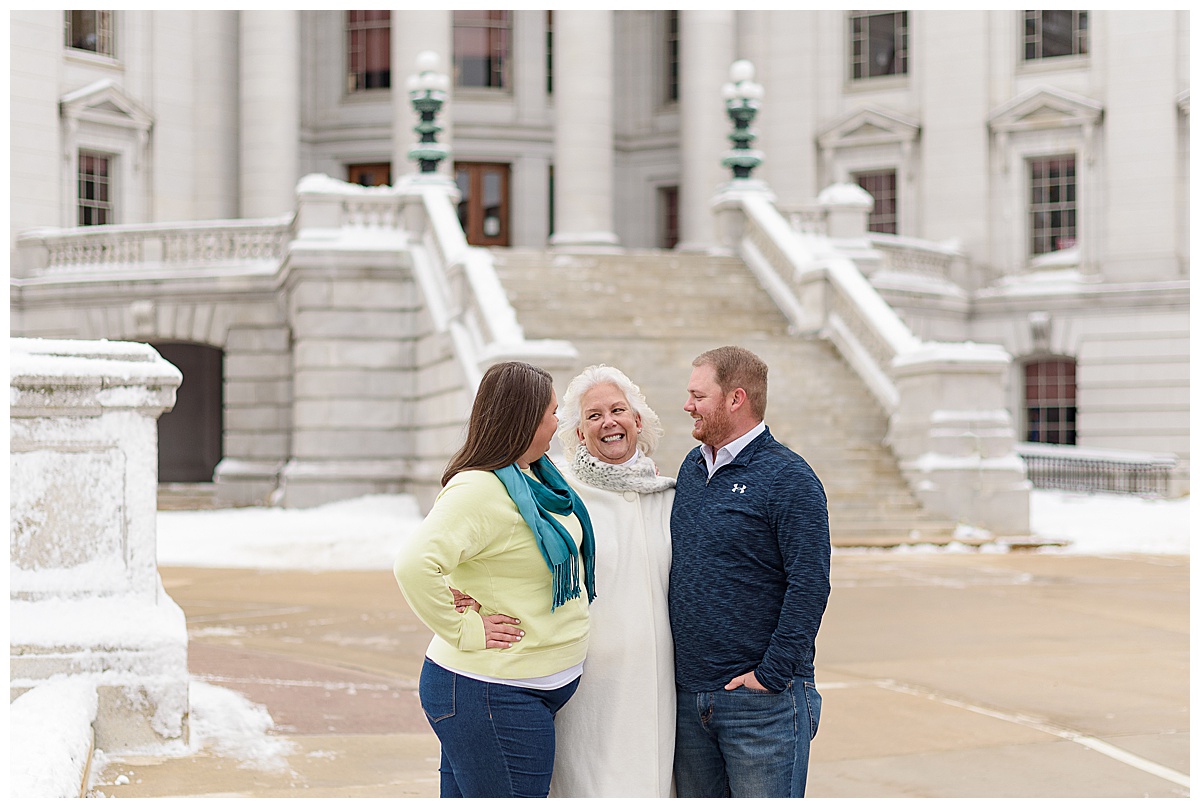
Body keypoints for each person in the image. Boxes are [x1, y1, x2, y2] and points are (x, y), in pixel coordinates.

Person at [393, 360, 596, 799]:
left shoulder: (535, 477)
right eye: (552, 412)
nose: (558, 421)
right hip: (491, 693)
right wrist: (465, 627)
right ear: (526, 419)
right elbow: (414, 564)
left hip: (516, 693)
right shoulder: (479, 489)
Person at [668, 345, 831, 798]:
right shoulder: (691, 466)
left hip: (761, 705)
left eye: (698, 395)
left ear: (735, 398)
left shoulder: (789, 478)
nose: (687, 406)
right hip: (689, 702)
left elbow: (811, 584)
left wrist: (771, 675)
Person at [547, 365, 676, 797]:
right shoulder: (559, 495)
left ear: (638, 421)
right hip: (588, 687)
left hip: (658, 684)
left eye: (618, 410)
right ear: (579, 434)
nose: (609, 422)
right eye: (594, 415)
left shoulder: (671, 496)